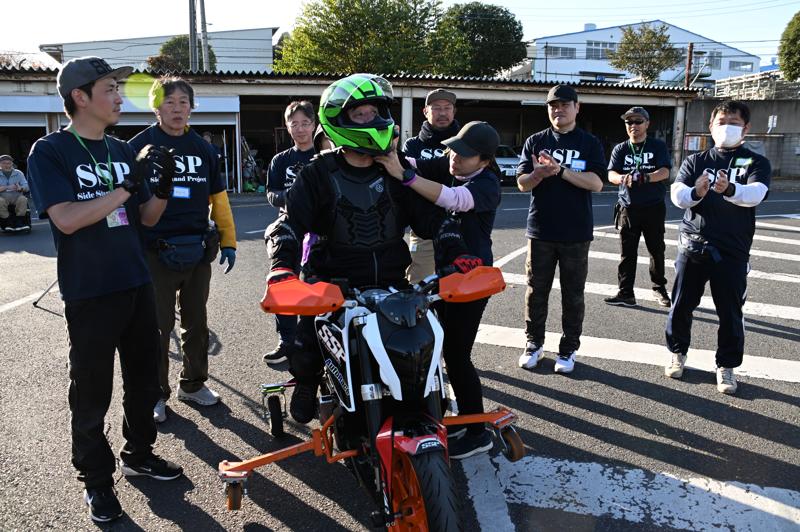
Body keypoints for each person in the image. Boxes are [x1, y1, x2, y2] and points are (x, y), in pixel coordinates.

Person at [264, 73, 479, 426]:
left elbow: (434, 219)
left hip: (392, 283)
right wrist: (281, 267)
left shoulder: (396, 169)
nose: (371, 120)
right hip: (332, 283)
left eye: (375, 112)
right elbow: (288, 225)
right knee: (306, 343)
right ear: (338, 119)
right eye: (360, 114)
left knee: (423, 345)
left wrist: (458, 254)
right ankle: (306, 383)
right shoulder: (317, 173)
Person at [26, 56, 183, 523]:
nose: (119, 97)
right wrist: (126, 187)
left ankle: (140, 454)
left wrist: (161, 187)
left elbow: (147, 218)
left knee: (145, 381)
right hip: (90, 291)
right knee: (92, 391)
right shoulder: (50, 151)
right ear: (80, 96)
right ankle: (96, 480)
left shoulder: (120, 150)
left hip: (136, 281)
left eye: (118, 88)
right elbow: (67, 219)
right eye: (110, 88)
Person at [378, 120, 501, 459]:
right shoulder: (452, 165)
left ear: (485, 160)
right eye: (453, 149)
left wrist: (405, 176)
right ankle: (459, 419)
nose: (454, 157)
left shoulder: (488, 184)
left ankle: (477, 433)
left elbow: (453, 199)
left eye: (464, 154)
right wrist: (388, 151)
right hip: (446, 276)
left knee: (458, 356)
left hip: (472, 280)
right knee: (440, 348)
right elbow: (414, 163)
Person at [129, 76, 237, 423]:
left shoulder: (204, 149)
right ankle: (155, 394)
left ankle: (193, 384)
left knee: (197, 323)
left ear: (192, 107)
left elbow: (219, 198)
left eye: (183, 102)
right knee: (157, 328)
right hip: (153, 252)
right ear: (156, 107)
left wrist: (228, 240)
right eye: (169, 102)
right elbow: (125, 200)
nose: (177, 109)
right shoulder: (137, 146)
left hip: (197, 250)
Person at [665, 100, 770, 395]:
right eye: (721, 122)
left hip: (733, 250)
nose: (727, 128)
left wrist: (730, 189)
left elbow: (757, 193)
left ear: (745, 129)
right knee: (681, 304)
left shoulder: (755, 162)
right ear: (710, 126)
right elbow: (677, 194)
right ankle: (677, 352)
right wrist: (696, 191)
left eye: (734, 123)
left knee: (730, 311)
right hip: (693, 246)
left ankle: (726, 365)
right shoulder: (696, 161)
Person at [515, 85, 605, 374]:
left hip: (576, 233)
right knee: (535, 291)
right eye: (553, 105)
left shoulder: (589, 142)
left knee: (573, 294)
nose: (559, 110)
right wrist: (538, 174)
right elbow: (521, 183)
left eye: (565, 104)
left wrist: (562, 171)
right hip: (540, 230)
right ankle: (533, 343)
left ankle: (568, 349)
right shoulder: (535, 141)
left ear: (577, 108)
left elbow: (597, 183)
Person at [263, 101, 317, 365]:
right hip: (289, 228)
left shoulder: (325, 155)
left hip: (320, 229)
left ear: (314, 125)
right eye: (294, 123)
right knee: (283, 281)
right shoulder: (281, 160)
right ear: (287, 127)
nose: (300, 129)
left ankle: (314, 337)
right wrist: (291, 198)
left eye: (305, 123)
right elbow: (271, 193)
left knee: (317, 284)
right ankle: (287, 339)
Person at [605, 107, 672, 308]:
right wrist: (622, 178)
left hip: (653, 207)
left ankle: (659, 288)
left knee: (656, 250)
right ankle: (626, 292)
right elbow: (611, 174)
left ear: (647, 124)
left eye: (638, 121)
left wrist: (646, 177)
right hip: (628, 208)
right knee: (627, 253)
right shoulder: (620, 149)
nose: (633, 125)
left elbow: (665, 171)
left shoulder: (657, 146)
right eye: (629, 122)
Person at [401, 88, 460, 284]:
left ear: (454, 111)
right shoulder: (413, 145)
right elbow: (407, 180)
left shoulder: (464, 143)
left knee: (457, 285)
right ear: (425, 111)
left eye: (447, 108)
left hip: (459, 225)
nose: (442, 113)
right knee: (419, 282)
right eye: (436, 108)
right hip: (423, 226)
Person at [0, 155, 30, 231]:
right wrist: (7, 187)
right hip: (2, 197)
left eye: (9, 163)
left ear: (12, 164)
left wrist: (21, 188)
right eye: (4, 163)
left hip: (16, 196)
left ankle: (19, 222)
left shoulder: (18, 173)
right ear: (0, 164)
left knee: (23, 199)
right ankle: (7, 222)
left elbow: (27, 186)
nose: (7, 165)